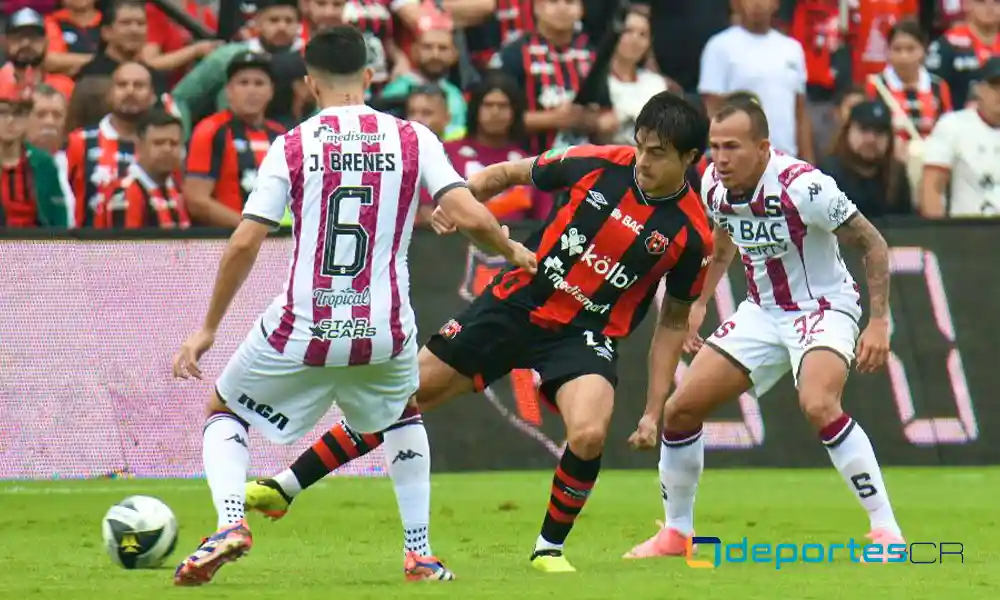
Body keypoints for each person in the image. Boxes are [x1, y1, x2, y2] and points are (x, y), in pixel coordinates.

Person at [245, 90, 715, 573]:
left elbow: (673, 323)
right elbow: (506, 173)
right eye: (640, 146)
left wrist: (653, 410)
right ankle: (286, 487)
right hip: (516, 302)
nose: (643, 161)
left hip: (584, 334)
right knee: (402, 397)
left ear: (690, 158)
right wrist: (459, 202)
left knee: (590, 433)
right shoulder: (595, 163)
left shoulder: (691, 233)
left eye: (658, 153)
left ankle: (548, 550)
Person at [170, 26, 533, 586]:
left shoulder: (292, 144)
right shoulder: (414, 138)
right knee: (402, 414)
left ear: (309, 84)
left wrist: (207, 327)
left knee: (226, 408)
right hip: (384, 328)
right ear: (369, 75)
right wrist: (510, 248)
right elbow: (469, 215)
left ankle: (230, 523)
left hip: (304, 325)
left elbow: (245, 241)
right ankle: (420, 554)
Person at [622, 95, 904, 560]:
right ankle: (676, 534)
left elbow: (872, 243)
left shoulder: (805, 187)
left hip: (823, 307)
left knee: (818, 402)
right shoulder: (712, 182)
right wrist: (699, 302)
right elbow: (723, 238)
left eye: (732, 146)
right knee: (680, 411)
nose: (720, 157)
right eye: (714, 146)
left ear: (763, 147)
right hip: (762, 311)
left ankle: (886, 531)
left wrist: (879, 321)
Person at [183, 52, 285, 227]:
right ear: (228, 91)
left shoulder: (281, 135)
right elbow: (196, 200)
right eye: (243, 83)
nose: (251, 90)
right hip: (226, 241)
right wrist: (252, 230)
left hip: (278, 241)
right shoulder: (210, 130)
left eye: (259, 83)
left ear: (271, 91)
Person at [920, 57, 1000, 217]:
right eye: (994, 86)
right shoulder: (953, 125)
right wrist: (938, 235)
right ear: (979, 89)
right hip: (967, 230)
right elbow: (932, 186)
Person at [93, 109, 188, 229]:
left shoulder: (176, 187)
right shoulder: (125, 193)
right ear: (139, 146)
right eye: (158, 143)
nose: (167, 149)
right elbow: (127, 246)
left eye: (174, 143)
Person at [820, 101, 913, 218]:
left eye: (879, 132)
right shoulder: (827, 174)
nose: (871, 139)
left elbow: (908, 226)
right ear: (848, 131)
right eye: (864, 129)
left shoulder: (896, 174)